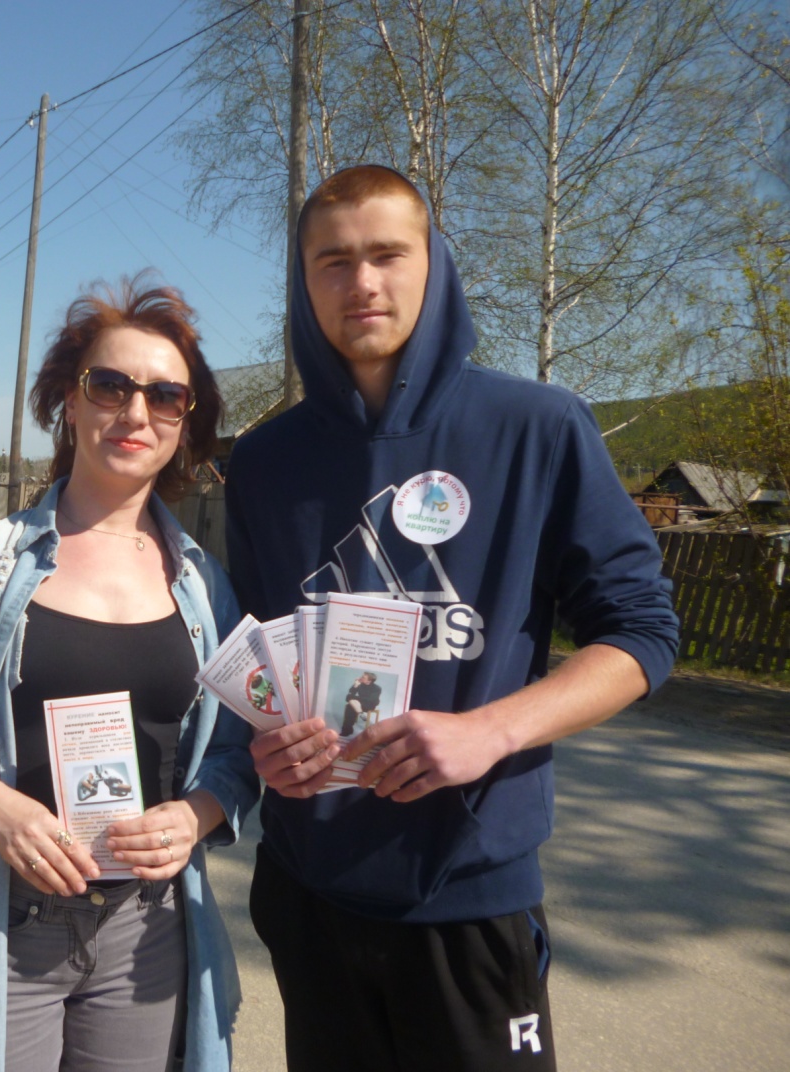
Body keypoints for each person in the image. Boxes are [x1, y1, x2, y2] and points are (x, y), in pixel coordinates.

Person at [225, 165, 679, 1071]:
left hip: (467, 895)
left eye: (387, 254)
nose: (361, 283)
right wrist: (264, 744)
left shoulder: (537, 427)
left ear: (433, 263)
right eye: (332, 261)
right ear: (301, 281)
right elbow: (256, 659)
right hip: (305, 891)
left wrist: (489, 731)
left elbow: (641, 635)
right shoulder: (262, 461)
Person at [0, 276, 259, 1072]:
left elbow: (239, 752)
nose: (134, 412)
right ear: (68, 404)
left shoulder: (206, 584)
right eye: (109, 385)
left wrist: (198, 815)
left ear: (185, 423)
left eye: (165, 396)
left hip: (147, 928)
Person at [340, 672, 380, 736]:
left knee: (351, 702)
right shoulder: (360, 684)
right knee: (350, 705)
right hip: (359, 703)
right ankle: (360, 714)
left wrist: (356, 698)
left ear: (369, 681)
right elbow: (350, 693)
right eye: (362, 676)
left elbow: (370, 700)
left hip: (369, 705)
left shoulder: (377, 688)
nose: (360, 678)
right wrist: (355, 685)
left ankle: (347, 730)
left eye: (363, 677)